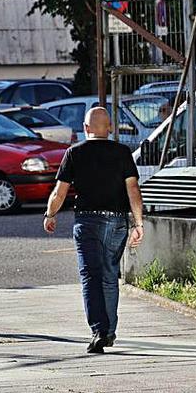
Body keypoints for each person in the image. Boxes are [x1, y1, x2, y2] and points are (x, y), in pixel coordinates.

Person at [43, 107, 144, 354]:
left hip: (87, 222)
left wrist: (50, 214)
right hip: (117, 222)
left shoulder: (74, 153)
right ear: (109, 128)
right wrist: (139, 223)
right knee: (110, 276)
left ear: (86, 128)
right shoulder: (122, 152)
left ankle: (99, 330)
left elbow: (60, 192)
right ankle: (109, 332)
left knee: (90, 276)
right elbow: (133, 190)